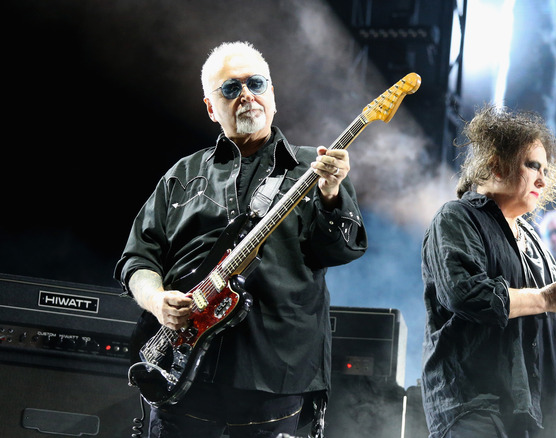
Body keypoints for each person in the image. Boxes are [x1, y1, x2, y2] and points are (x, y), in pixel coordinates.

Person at [114, 41, 367, 437]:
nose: (247, 94)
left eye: (256, 83)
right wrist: (157, 301)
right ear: (211, 108)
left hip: (272, 377)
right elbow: (137, 260)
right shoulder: (182, 175)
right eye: (231, 89)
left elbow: (339, 250)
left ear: (273, 96)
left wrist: (331, 192)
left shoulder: (312, 170)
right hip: (179, 373)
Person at [421, 104, 556, 438]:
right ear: (497, 166)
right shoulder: (457, 217)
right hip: (477, 406)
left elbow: (554, 328)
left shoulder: (535, 242)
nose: (543, 180)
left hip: (536, 414)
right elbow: (466, 294)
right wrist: (545, 299)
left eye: (546, 169)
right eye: (533, 166)